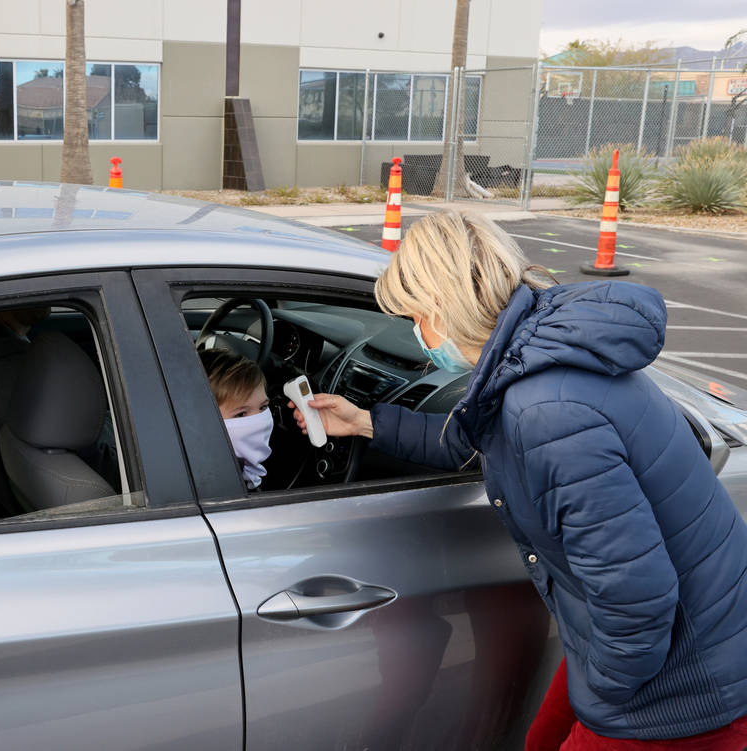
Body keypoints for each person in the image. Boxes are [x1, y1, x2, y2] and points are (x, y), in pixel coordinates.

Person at [292, 210, 747, 749]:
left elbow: (637, 599)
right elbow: (479, 435)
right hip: (670, 654)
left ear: (440, 309)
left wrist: (608, 691)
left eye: (413, 316)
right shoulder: (541, 348)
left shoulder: (547, 412)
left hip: (679, 690)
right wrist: (367, 422)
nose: (416, 333)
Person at [200, 348, 273, 489]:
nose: (259, 421)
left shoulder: (237, 469)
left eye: (263, 407)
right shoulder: (218, 486)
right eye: (241, 414)